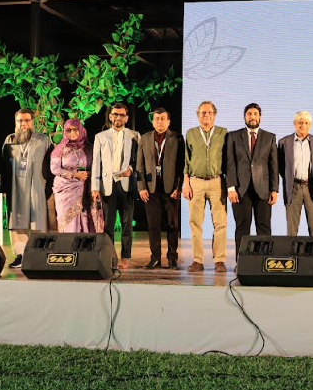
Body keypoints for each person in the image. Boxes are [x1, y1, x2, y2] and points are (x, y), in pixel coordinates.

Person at [226, 103, 279, 265]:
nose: (253, 117)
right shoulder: (233, 136)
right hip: (240, 190)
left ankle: (264, 262)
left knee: (264, 227)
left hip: (263, 190)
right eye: (249, 114)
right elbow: (230, 163)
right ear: (245, 117)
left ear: (260, 117)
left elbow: (274, 165)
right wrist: (231, 187)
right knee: (242, 227)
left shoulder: (270, 137)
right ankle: (242, 263)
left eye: (255, 114)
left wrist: (274, 189)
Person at [91, 103, 140, 270]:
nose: (118, 118)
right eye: (115, 114)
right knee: (108, 225)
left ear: (126, 118)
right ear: (110, 116)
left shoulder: (135, 136)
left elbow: (138, 160)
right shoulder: (100, 137)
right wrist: (95, 187)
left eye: (122, 115)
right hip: (107, 184)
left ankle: (125, 257)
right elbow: (96, 163)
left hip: (126, 183)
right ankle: (110, 257)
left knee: (127, 224)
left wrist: (131, 169)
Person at [2, 108, 52, 268]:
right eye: (20, 121)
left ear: (32, 122)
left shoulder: (44, 140)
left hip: (37, 186)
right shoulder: (9, 140)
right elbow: (4, 165)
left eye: (27, 120)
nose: (23, 124)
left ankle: (39, 254)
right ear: (15, 123)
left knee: (38, 221)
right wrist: (4, 188)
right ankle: (20, 255)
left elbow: (51, 165)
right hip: (16, 188)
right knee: (17, 222)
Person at [182, 101, 228, 272]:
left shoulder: (223, 133)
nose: (206, 115)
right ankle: (197, 260)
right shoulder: (191, 133)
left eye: (209, 112)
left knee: (220, 222)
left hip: (217, 181)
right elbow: (186, 161)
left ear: (214, 115)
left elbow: (228, 159)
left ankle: (219, 260)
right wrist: (186, 183)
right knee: (195, 222)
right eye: (202, 113)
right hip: (196, 182)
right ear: (198, 115)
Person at [136, 108, 185, 270]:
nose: (160, 122)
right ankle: (155, 258)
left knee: (172, 225)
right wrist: (141, 187)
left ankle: (172, 258)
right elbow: (139, 165)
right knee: (153, 225)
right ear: (152, 121)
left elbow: (181, 165)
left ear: (168, 121)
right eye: (157, 118)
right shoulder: (144, 138)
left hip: (171, 189)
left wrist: (178, 187)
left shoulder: (177, 138)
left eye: (163, 118)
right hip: (151, 189)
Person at [278, 111, 313, 237]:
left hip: (312, 188)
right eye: (300, 122)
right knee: (292, 230)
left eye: (306, 123)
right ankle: (291, 251)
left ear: (310, 125)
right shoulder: (283, 142)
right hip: (293, 188)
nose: (303, 125)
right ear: (294, 124)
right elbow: (281, 167)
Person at [50, 118, 100, 233]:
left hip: (85, 189)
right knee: (68, 223)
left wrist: (89, 174)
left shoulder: (90, 148)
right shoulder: (60, 148)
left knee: (85, 220)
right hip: (66, 190)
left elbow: (97, 166)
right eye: (68, 130)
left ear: (81, 130)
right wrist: (74, 174)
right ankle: (68, 244)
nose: (72, 133)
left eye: (75, 129)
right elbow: (55, 168)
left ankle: (84, 244)